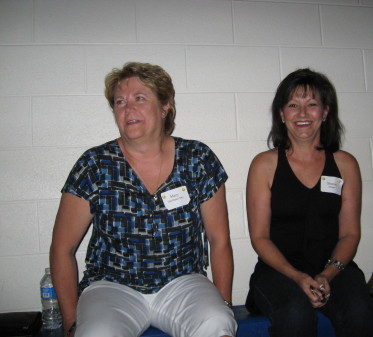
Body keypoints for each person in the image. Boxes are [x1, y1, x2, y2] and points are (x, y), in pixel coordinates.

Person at [50, 62, 237, 337]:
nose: (128, 108)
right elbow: (62, 249)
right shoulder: (95, 165)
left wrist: (224, 302)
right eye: (120, 102)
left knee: (217, 323)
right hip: (112, 287)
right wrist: (70, 322)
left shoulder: (197, 158)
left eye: (139, 98)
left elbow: (219, 241)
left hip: (182, 283)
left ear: (165, 106)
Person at [245, 68, 373, 337]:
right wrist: (297, 277)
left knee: (361, 317)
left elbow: (350, 234)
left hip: (334, 269)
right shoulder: (264, 164)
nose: (303, 114)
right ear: (282, 114)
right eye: (293, 105)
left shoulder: (345, 164)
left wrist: (327, 275)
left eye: (312, 105)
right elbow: (260, 238)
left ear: (326, 112)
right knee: (296, 317)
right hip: (278, 271)